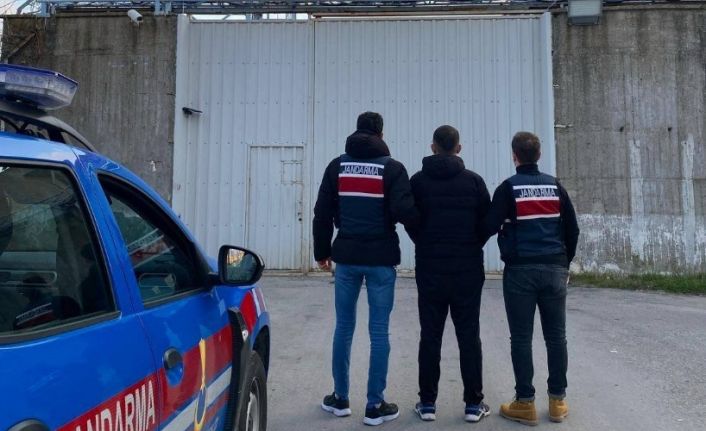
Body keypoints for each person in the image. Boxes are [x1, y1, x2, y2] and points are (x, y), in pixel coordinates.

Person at [313, 111, 419, 426]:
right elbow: (404, 211)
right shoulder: (393, 169)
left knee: (344, 327)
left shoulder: (337, 167)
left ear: (356, 131)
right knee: (379, 331)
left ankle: (340, 398)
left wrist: (322, 251)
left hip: (346, 257)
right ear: (381, 135)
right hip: (381, 258)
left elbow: (322, 212)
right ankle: (375, 405)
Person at [484, 131, 580, 426]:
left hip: (520, 271)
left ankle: (525, 403)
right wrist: (563, 263)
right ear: (539, 155)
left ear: (514, 156)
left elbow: (488, 226)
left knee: (521, 338)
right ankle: (557, 402)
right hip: (554, 268)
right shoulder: (555, 187)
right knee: (556, 337)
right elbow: (572, 230)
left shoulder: (508, 188)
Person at [406, 125, 491, 423]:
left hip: (430, 268)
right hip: (467, 269)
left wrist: (423, 241)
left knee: (430, 335)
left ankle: (427, 403)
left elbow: (409, 218)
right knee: (469, 336)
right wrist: (473, 243)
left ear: (433, 147)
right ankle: (473, 404)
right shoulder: (474, 182)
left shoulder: (417, 182)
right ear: (459, 148)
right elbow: (487, 221)